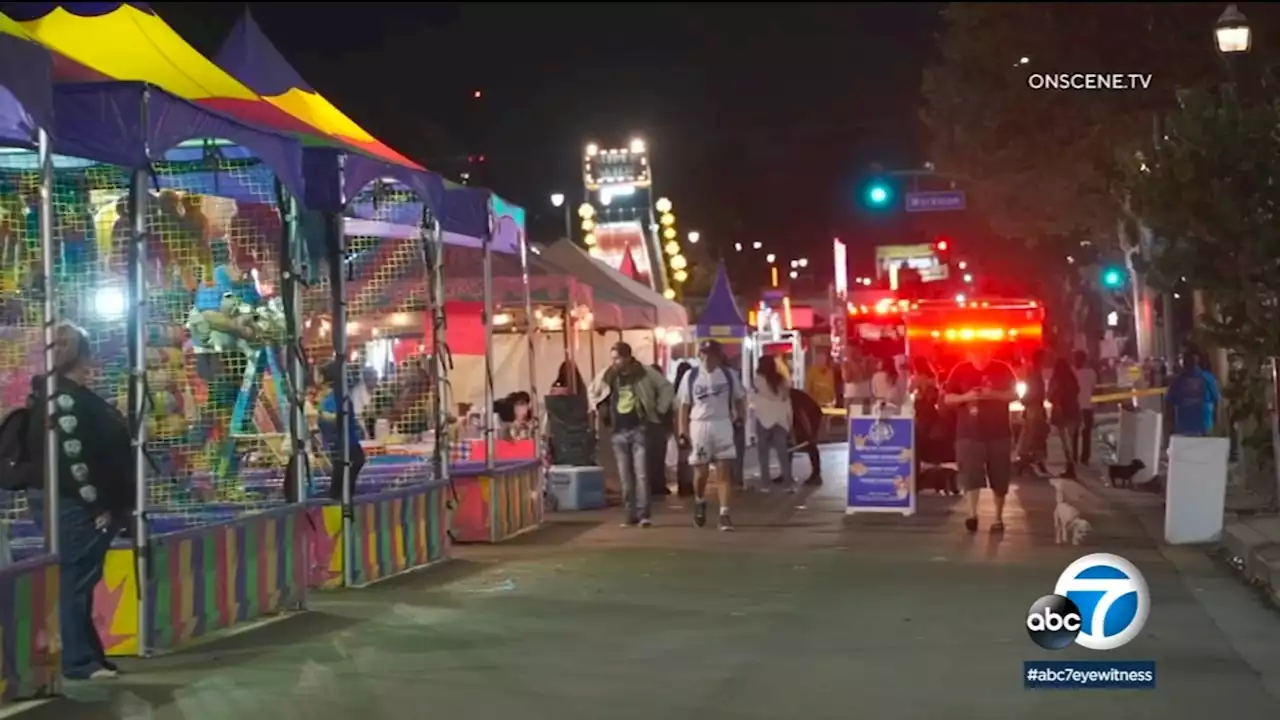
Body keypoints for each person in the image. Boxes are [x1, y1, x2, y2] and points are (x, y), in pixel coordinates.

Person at [32, 323, 133, 679]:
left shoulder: (66, 394)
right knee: (75, 582)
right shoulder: (64, 397)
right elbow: (74, 462)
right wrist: (96, 507)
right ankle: (78, 660)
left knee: (83, 582)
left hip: (85, 502)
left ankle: (88, 653)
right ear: (86, 355)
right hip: (80, 505)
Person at [588, 343, 673, 527]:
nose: (614, 362)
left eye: (617, 358)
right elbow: (592, 390)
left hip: (639, 428)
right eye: (612, 358)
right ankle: (630, 514)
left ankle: (644, 515)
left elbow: (666, 387)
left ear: (627, 357)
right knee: (625, 476)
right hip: (618, 430)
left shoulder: (645, 373)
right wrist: (599, 407)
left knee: (641, 474)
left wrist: (658, 409)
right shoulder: (609, 375)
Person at [943, 344, 1018, 534]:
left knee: (1000, 476)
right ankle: (971, 515)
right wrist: (967, 396)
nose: (981, 356)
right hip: (968, 434)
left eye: (984, 352)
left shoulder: (1003, 369)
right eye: (977, 352)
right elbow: (947, 399)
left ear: (990, 352)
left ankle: (998, 518)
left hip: (999, 434)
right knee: (970, 475)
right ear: (970, 353)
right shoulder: (960, 370)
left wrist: (992, 394)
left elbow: (1014, 394)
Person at [677, 340, 747, 530]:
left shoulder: (728, 376)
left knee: (724, 472)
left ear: (718, 357)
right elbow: (684, 406)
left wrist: (740, 418)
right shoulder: (690, 377)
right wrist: (683, 432)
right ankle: (700, 500)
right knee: (701, 472)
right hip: (699, 426)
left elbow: (740, 399)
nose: (706, 358)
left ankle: (724, 513)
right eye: (703, 354)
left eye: (711, 355)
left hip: (722, 423)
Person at [317, 360, 366, 502]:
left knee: (338, 490)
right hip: (348, 447)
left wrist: (318, 415)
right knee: (342, 488)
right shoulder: (341, 395)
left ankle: (340, 512)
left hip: (345, 448)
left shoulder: (335, 397)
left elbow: (335, 418)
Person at [751, 354, 794, 492]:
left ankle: (765, 483)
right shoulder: (781, 381)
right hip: (780, 418)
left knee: (763, 453)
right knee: (782, 452)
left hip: (763, 418)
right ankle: (787, 483)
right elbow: (786, 399)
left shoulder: (757, 380)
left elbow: (755, 398)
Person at [1167, 350, 1220, 436]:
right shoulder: (1208, 378)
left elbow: (1169, 404)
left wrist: (1170, 424)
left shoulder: (1178, 381)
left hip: (1183, 425)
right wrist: (1215, 422)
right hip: (1204, 424)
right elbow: (1216, 400)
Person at [1015, 349, 1049, 475]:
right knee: (1033, 435)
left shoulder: (1035, 371)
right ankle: (1026, 461)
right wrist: (1025, 401)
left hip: (1034, 407)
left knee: (1034, 435)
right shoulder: (1034, 372)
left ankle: (1031, 461)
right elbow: (1033, 391)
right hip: (1034, 408)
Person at [1048, 355, 1081, 479]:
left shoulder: (1056, 379)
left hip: (1062, 413)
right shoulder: (1072, 379)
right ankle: (1071, 466)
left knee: (1066, 442)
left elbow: (1050, 396)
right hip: (1073, 411)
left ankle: (1070, 466)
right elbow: (1077, 391)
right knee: (1071, 440)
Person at [672, 361, 696, 497]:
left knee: (682, 456)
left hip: (678, 425)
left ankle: (683, 483)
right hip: (690, 423)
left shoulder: (675, 389)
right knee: (690, 455)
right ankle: (689, 483)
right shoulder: (689, 388)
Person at [1072, 350, 1099, 465]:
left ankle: (1074, 457)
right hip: (1087, 405)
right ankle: (1085, 457)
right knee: (1086, 433)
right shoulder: (1091, 373)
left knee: (1074, 433)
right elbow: (1093, 389)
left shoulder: (1071, 372)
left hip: (1075, 406)